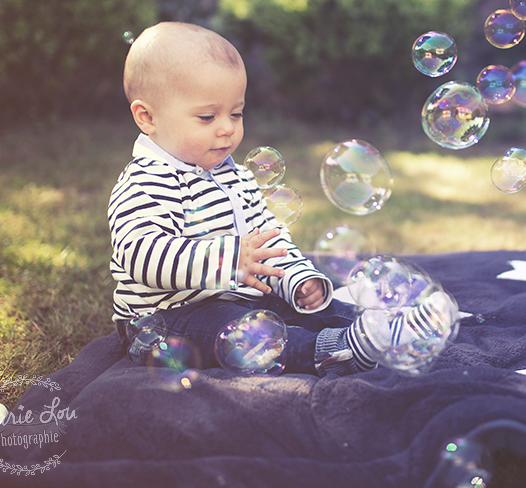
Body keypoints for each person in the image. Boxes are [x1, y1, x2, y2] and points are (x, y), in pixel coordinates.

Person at [109, 21, 426, 377]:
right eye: (207, 116)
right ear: (147, 117)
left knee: (302, 309)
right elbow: (142, 257)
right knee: (248, 332)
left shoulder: (236, 176)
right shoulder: (146, 181)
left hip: (238, 298)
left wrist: (297, 280)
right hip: (166, 321)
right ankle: (334, 352)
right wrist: (230, 259)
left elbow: (269, 240)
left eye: (236, 113)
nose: (227, 128)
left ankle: (389, 326)